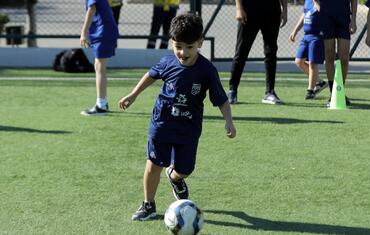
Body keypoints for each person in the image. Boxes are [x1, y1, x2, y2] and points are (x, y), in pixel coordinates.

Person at [118, 13, 236, 221]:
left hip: (189, 128)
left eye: (189, 47)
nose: (182, 52)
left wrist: (229, 121)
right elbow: (151, 75)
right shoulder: (167, 62)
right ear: (172, 42)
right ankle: (148, 205)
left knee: (185, 168)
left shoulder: (207, 70)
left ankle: (175, 177)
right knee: (153, 163)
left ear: (200, 43)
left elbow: (221, 99)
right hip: (162, 121)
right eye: (178, 46)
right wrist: (133, 94)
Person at [227, 0, 288, 105]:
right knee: (241, 52)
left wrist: (285, 10)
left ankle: (270, 92)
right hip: (250, 10)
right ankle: (232, 91)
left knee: (271, 52)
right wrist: (239, 9)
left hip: (272, 11)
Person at [313, 0, 357, 107]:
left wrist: (354, 20)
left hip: (344, 17)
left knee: (344, 59)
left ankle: (340, 90)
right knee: (329, 55)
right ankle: (333, 94)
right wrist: (319, 6)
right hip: (327, 17)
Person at [80, 0, 118, 116]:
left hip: (103, 31)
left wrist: (84, 32)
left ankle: (101, 106)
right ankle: (103, 103)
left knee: (99, 66)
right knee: (99, 67)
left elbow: (92, 9)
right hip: (103, 30)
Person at [290, 0, 327, 100]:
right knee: (299, 61)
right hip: (306, 36)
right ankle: (320, 82)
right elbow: (304, 14)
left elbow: (324, 14)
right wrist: (295, 30)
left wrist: (316, 1)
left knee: (312, 63)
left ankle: (310, 90)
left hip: (317, 36)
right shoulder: (307, 1)